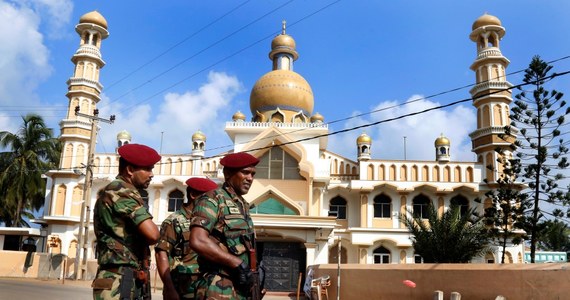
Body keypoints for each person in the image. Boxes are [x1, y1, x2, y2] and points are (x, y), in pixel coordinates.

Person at [92, 143, 161, 300]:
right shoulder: (121, 191)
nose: (151, 174)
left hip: (127, 278)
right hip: (118, 279)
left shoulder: (122, 191)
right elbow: (153, 235)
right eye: (148, 169)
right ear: (130, 170)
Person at [189, 152, 260, 300]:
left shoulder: (242, 205)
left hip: (241, 287)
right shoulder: (213, 199)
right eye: (245, 172)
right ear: (227, 173)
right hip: (218, 286)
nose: (250, 178)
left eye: (253, 174)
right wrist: (236, 263)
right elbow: (198, 240)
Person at [155, 177, 218, 300]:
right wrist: (169, 288)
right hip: (182, 289)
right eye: (208, 198)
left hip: (206, 288)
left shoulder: (210, 222)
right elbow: (161, 254)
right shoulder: (174, 221)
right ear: (193, 194)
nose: (212, 202)